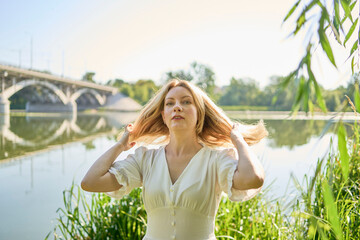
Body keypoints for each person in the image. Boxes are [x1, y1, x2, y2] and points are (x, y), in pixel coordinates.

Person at [81, 79, 268, 240]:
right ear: (163, 115)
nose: (177, 106)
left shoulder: (216, 160)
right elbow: (90, 182)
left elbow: (253, 178)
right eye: (170, 103)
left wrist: (237, 140)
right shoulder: (145, 159)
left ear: (199, 113)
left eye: (186, 102)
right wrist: (120, 146)